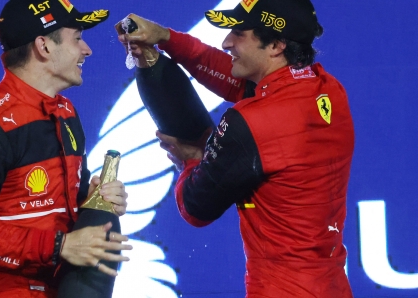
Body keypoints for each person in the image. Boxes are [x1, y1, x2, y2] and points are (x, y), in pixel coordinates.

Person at [117, 0, 354, 296]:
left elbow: (194, 208)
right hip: (333, 286)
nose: (227, 42)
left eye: (239, 33)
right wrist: (166, 37)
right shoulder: (329, 89)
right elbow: (232, 78)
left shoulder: (250, 124)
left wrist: (190, 160)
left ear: (276, 44)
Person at [0, 1, 132, 297]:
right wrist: (60, 247)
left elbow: (66, 204)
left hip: (68, 287)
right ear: (44, 46)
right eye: (77, 38)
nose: (87, 50)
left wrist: (97, 199)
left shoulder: (65, 112)